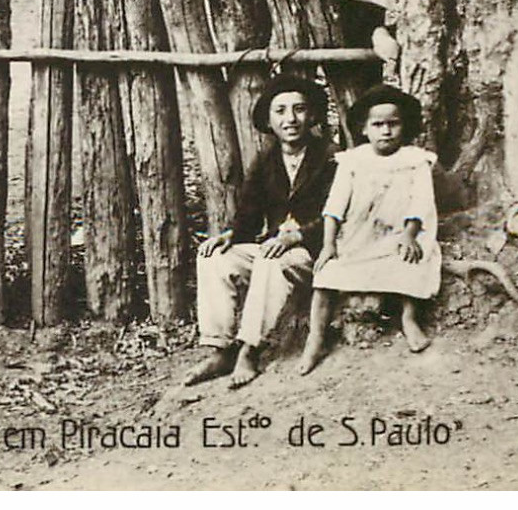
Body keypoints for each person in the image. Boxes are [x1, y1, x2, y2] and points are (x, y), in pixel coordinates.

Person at [185, 74, 338, 389]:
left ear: (312, 115)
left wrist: (298, 235)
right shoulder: (267, 159)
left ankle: (250, 351)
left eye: (299, 109)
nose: (290, 119)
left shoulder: (330, 156)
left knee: (270, 258)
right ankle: (220, 348)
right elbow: (250, 210)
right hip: (275, 248)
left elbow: (342, 213)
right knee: (216, 258)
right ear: (269, 119)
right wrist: (232, 235)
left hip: (313, 252)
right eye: (280, 111)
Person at [299, 83, 442, 375]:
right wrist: (329, 244)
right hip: (360, 237)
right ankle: (316, 337)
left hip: (401, 234)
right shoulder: (352, 161)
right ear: (364, 129)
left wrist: (409, 234)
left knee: (412, 262)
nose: (386, 131)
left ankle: (409, 319)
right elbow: (334, 207)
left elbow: (421, 202)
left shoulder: (416, 161)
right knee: (327, 275)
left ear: (405, 126)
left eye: (393, 124)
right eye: (378, 125)